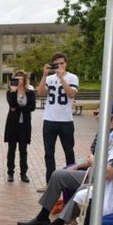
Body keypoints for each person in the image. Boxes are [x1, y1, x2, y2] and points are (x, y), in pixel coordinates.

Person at [38, 52, 79, 183]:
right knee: (49, 153)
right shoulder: (49, 79)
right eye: (57, 64)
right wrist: (44, 75)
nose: (60, 66)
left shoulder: (72, 77)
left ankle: (71, 180)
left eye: (62, 63)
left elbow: (71, 94)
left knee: (69, 151)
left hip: (66, 121)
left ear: (66, 63)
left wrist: (62, 79)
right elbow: (40, 93)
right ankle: (50, 182)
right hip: (49, 119)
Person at [4, 70, 36, 183]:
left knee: (23, 150)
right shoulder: (10, 92)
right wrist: (13, 92)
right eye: (17, 78)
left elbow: (32, 107)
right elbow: (12, 105)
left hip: (25, 124)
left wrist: (17, 108)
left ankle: (24, 174)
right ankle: (10, 173)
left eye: (22, 78)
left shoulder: (30, 92)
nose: (20, 80)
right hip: (13, 124)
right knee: (11, 149)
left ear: (25, 79)